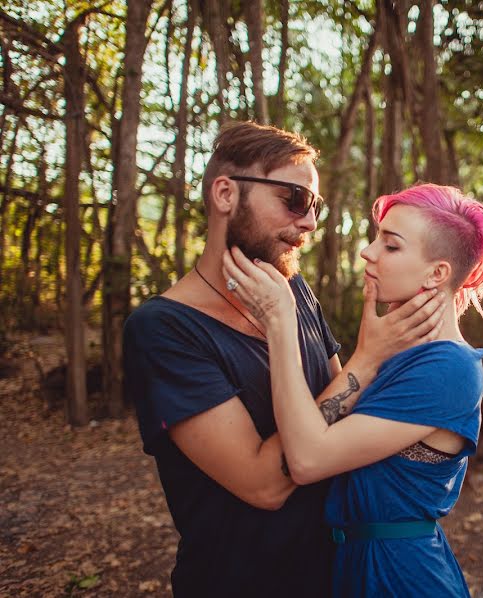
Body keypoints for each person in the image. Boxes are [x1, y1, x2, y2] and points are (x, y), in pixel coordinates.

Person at [123, 122, 447, 597]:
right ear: (226, 194)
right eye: (293, 199)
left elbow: (340, 422)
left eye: (316, 206)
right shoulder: (164, 330)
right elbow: (262, 485)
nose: (310, 222)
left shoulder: (291, 288)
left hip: (338, 575)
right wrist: (367, 359)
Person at [223, 183, 483, 597]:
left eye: (391, 245)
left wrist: (279, 321)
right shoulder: (399, 353)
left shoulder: (448, 369)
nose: (368, 252)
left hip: (400, 577)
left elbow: (308, 459)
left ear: (438, 274)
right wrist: (369, 355)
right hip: (356, 567)